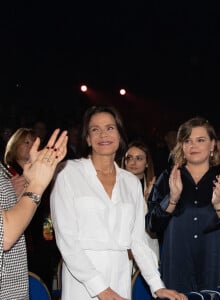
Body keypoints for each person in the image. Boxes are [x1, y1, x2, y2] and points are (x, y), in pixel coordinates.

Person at [50, 105, 187, 300]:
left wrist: (157, 286)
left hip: (120, 274)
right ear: (87, 138)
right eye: (95, 129)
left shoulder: (130, 182)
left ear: (120, 135)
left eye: (110, 128)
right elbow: (67, 240)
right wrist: (100, 288)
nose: (103, 134)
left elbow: (138, 241)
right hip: (81, 280)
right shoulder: (68, 173)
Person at [146, 116, 220, 293]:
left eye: (200, 140)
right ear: (181, 146)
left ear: (212, 144)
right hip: (177, 271)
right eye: (187, 141)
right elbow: (152, 225)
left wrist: (219, 204)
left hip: (214, 271)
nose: (193, 146)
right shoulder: (169, 177)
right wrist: (173, 198)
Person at [0, 128, 68, 300]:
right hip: (22, 240)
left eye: (33, 141)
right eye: (26, 142)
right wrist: (36, 184)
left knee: (45, 260)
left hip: (40, 227)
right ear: (14, 146)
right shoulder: (9, 171)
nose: (30, 146)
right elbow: (5, 235)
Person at [121, 140, 159, 270]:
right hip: (123, 250)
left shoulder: (155, 188)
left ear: (147, 163)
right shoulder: (115, 187)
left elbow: (155, 225)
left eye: (139, 158)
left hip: (147, 246)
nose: (133, 162)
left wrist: (147, 201)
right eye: (129, 158)